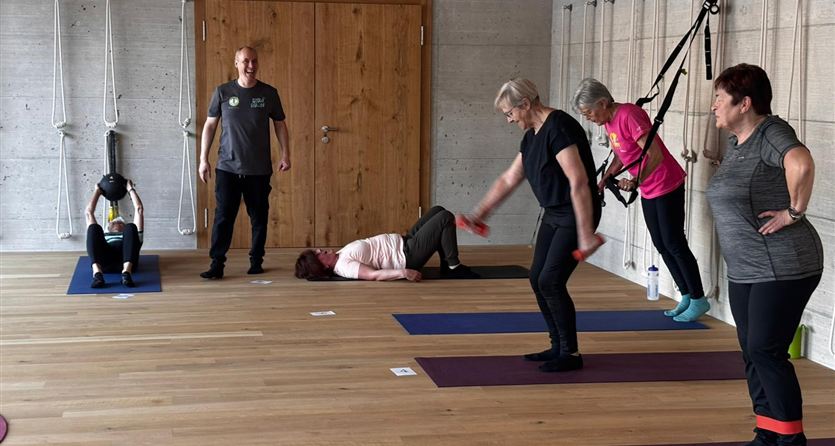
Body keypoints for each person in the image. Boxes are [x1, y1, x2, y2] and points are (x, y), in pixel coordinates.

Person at [707, 63, 823, 446]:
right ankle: (768, 433)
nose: (713, 106)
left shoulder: (771, 131)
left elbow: (801, 163)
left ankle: (792, 439)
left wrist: (794, 211)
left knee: (765, 351)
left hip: (784, 263)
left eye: (720, 99)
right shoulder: (737, 143)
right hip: (746, 268)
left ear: (745, 103)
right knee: (751, 352)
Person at [458, 78, 603, 372]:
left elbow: (578, 181)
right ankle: (557, 346)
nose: (509, 120)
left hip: (576, 213)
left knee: (551, 280)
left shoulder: (559, 127)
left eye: (510, 113)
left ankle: (571, 354)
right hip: (553, 213)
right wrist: (479, 214)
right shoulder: (531, 136)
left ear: (525, 104)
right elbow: (509, 178)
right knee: (537, 277)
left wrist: (586, 234)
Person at [571, 77, 710, 322]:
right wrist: (606, 177)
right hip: (649, 188)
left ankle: (699, 298)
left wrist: (636, 181)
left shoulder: (628, 115)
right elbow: (622, 154)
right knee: (661, 243)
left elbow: (654, 154)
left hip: (666, 183)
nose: (588, 118)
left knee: (674, 243)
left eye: (588, 112)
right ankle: (686, 295)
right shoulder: (609, 122)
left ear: (602, 103)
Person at [198, 46, 290, 279]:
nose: (251, 66)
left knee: (259, 217)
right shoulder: (223, 92)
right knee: (223, 218)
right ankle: (217, 264)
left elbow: (280, 124)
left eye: (254, 61)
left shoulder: (269, 93)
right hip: (227, 167)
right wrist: (203, 159)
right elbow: (210, 126)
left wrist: (285, 154)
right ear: (236, 63)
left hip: (258, 170)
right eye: (246, 61)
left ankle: (256, 260)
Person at [295, 206, 476, 281]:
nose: (321, 249)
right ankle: (453, 266)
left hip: (404, 242)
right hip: (407, 256)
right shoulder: (344, 266)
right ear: (322, 265)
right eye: (318, 254)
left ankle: (446, 264)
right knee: (445, 218)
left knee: (438, 210)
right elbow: (373, 275)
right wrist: (403, 273)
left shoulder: (339, 255)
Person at [84, 180, 144, 288]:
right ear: (108, 228)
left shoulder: (131, 236)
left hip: (127, 261)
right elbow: (89, 213)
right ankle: (97, 274)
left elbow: (139, 209)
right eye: (113, 222)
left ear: (123, 227)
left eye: (120, 222)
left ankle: (126, 273)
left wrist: (130, 189)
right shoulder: (105, 236)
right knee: (93, 228)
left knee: (132, 226)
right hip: (105, 263)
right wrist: (97, 191)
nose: (116, 222)